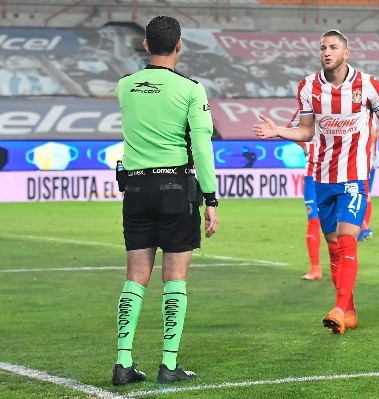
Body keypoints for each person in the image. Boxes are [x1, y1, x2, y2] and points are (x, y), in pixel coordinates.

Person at [253, 29, 379, 334]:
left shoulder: (368, 84)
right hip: (322, 178)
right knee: (333, 246)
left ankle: (339, 308)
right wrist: (279, 132)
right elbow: (305, 132)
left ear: (346, 53)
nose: (326, 52)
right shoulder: (308, 87)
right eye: (323, 47)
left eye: (333, 47)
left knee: (347, 239)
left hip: (354, 177)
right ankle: (349, 310)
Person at [112, 16, 219, 385]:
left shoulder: (124, 86)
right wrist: (211, 198)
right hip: (175, 188)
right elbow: (202, 148)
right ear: (179, 46)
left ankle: (123, 362)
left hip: (136, 189)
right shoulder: (191, 89)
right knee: (175, 278)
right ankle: (168, 364)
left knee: (134, 278)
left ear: (145, 45)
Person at [289, 110, 322, 281]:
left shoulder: (336, 118)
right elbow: (288, 128)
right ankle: (315, 267)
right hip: (311, 178)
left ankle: (339, 265)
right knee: (314, 221)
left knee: (337, 226)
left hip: (332, 177)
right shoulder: (307, 121)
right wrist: (304, 146)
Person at [358, 126, 379, 241]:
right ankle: (364, 227)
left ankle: (363, 228)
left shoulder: (367, 117)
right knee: (366, 194)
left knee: (362, 194)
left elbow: (373, 134)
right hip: (370, 162)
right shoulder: (372, 119)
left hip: (366, 163)